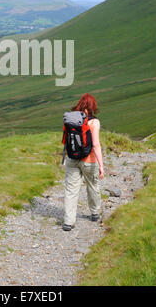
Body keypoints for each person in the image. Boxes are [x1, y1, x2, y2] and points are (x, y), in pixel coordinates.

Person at [63, 93, 104, 231]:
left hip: (72, 159)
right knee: (92, 186)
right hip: (89, 160)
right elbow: (96, 145)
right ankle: (94, 213)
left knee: (71, 190)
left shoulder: (70, 118)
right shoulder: (94, 122)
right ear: (93, 106)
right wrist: (102, 166)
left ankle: (68, 222)